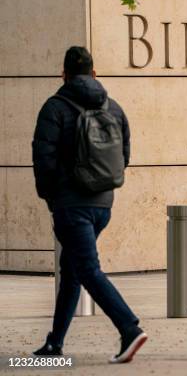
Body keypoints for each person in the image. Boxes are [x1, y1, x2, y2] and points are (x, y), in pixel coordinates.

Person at [31, 46, 147, 363]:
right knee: (71, 271)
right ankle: (55, 345)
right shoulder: (114, 108)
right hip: (103, 205)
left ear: (64, 74)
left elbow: (43, 159)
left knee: (87, 269)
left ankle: (129, 328)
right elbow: (124, 158)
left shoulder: (54, 108)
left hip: (72, 206)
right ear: (94, 74)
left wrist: (52, 198)